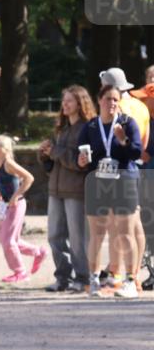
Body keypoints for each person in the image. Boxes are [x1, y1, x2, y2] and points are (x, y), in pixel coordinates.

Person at [78, 84, 143, 299]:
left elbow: (136, 153)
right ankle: (94, 280)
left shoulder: (127, 123)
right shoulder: (90, 127)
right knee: (96, 234)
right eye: (108, 99)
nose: (112, 103)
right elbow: (82, 157)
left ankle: (130, 281)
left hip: (124, 181)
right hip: (98, 183)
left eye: (116, 99)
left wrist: (123, 139)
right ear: (99, 100)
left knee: (125, 232)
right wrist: (81, 161)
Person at [38, 85, 94, 292]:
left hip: (76, 191)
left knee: (78, 238)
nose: (64, 104)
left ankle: (83, 278)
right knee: (54, 236)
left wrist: (55, 152)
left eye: (69, 100)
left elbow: (82, 162)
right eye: (64, 100)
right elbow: (53, 162)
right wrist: (44, 154)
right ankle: (63, 277)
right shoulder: (61, 129)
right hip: (56, 190)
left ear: (80, 103)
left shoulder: (87, 128)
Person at [99, 68, 149, 290]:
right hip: (136, 166)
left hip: (118, 170)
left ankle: (118, 272)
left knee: (118, 226)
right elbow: (143, 142)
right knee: (135, 224)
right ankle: (134, 274)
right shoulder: (140, 106)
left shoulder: (118, 107)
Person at [0, 134, 46, 284]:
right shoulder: (0, 165)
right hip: (7, 206)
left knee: (8, 241)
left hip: (16, 205)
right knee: (10, 240)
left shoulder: (8, 163)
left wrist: (15, 196)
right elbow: (5, 184)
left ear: (1, 149)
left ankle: (20, 272)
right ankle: (38, 252)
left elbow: (29, 178)